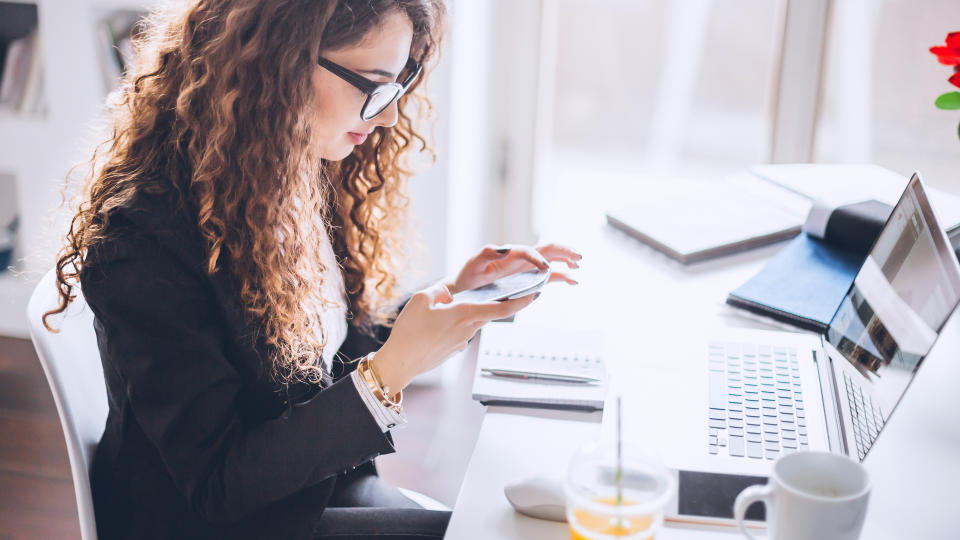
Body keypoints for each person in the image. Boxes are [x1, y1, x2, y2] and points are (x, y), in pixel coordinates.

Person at [43, 1, 581, 538]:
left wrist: (453, 296)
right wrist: (390, 373)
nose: (389, 114)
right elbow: (217, 485)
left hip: (306, 487)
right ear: (279, 63)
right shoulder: (143, 236)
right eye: (372, 84)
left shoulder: (292, 168)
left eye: (397, 84)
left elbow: (322, 351)